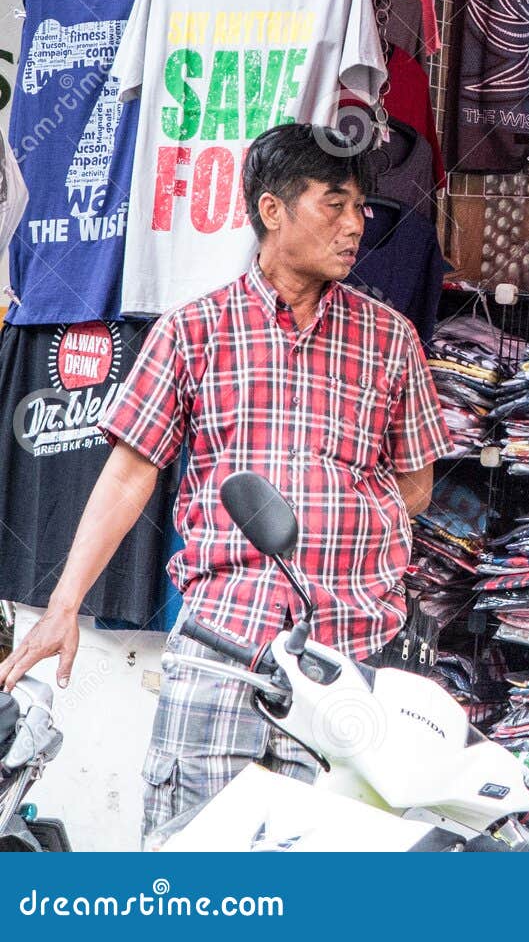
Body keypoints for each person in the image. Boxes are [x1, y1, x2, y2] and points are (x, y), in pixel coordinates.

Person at [0, 123, 451, 846]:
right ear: (273, 211)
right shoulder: (194, 331)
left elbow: (417, 484)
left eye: (361, 208)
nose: (355, 226)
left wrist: (345, 539)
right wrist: (62, 606)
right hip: (223, 647)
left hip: (350, 653)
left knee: (338, 877)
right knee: (193, 860)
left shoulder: (390, 338)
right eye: (334, 205)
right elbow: (126, 475)